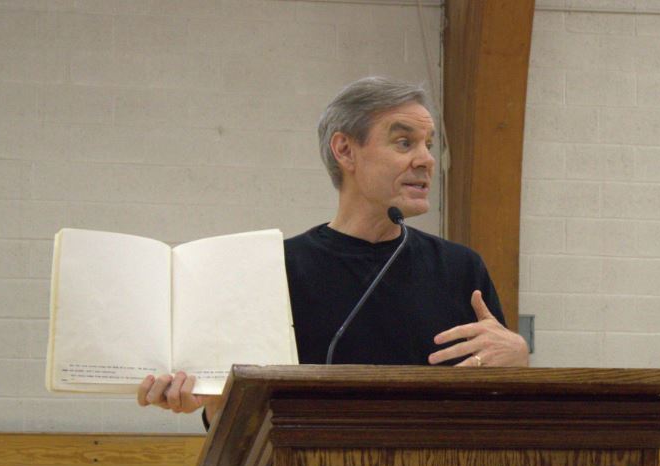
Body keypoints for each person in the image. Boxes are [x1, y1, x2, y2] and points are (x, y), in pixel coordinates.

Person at [138, 77, 530, 424]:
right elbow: (237, 420)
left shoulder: (460, 269)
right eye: (404, 142)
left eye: (428, 145)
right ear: (345, 150)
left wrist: (518, 363)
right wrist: (207, 401)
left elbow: (501, 406)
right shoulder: (276, 271)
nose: (426, 160)